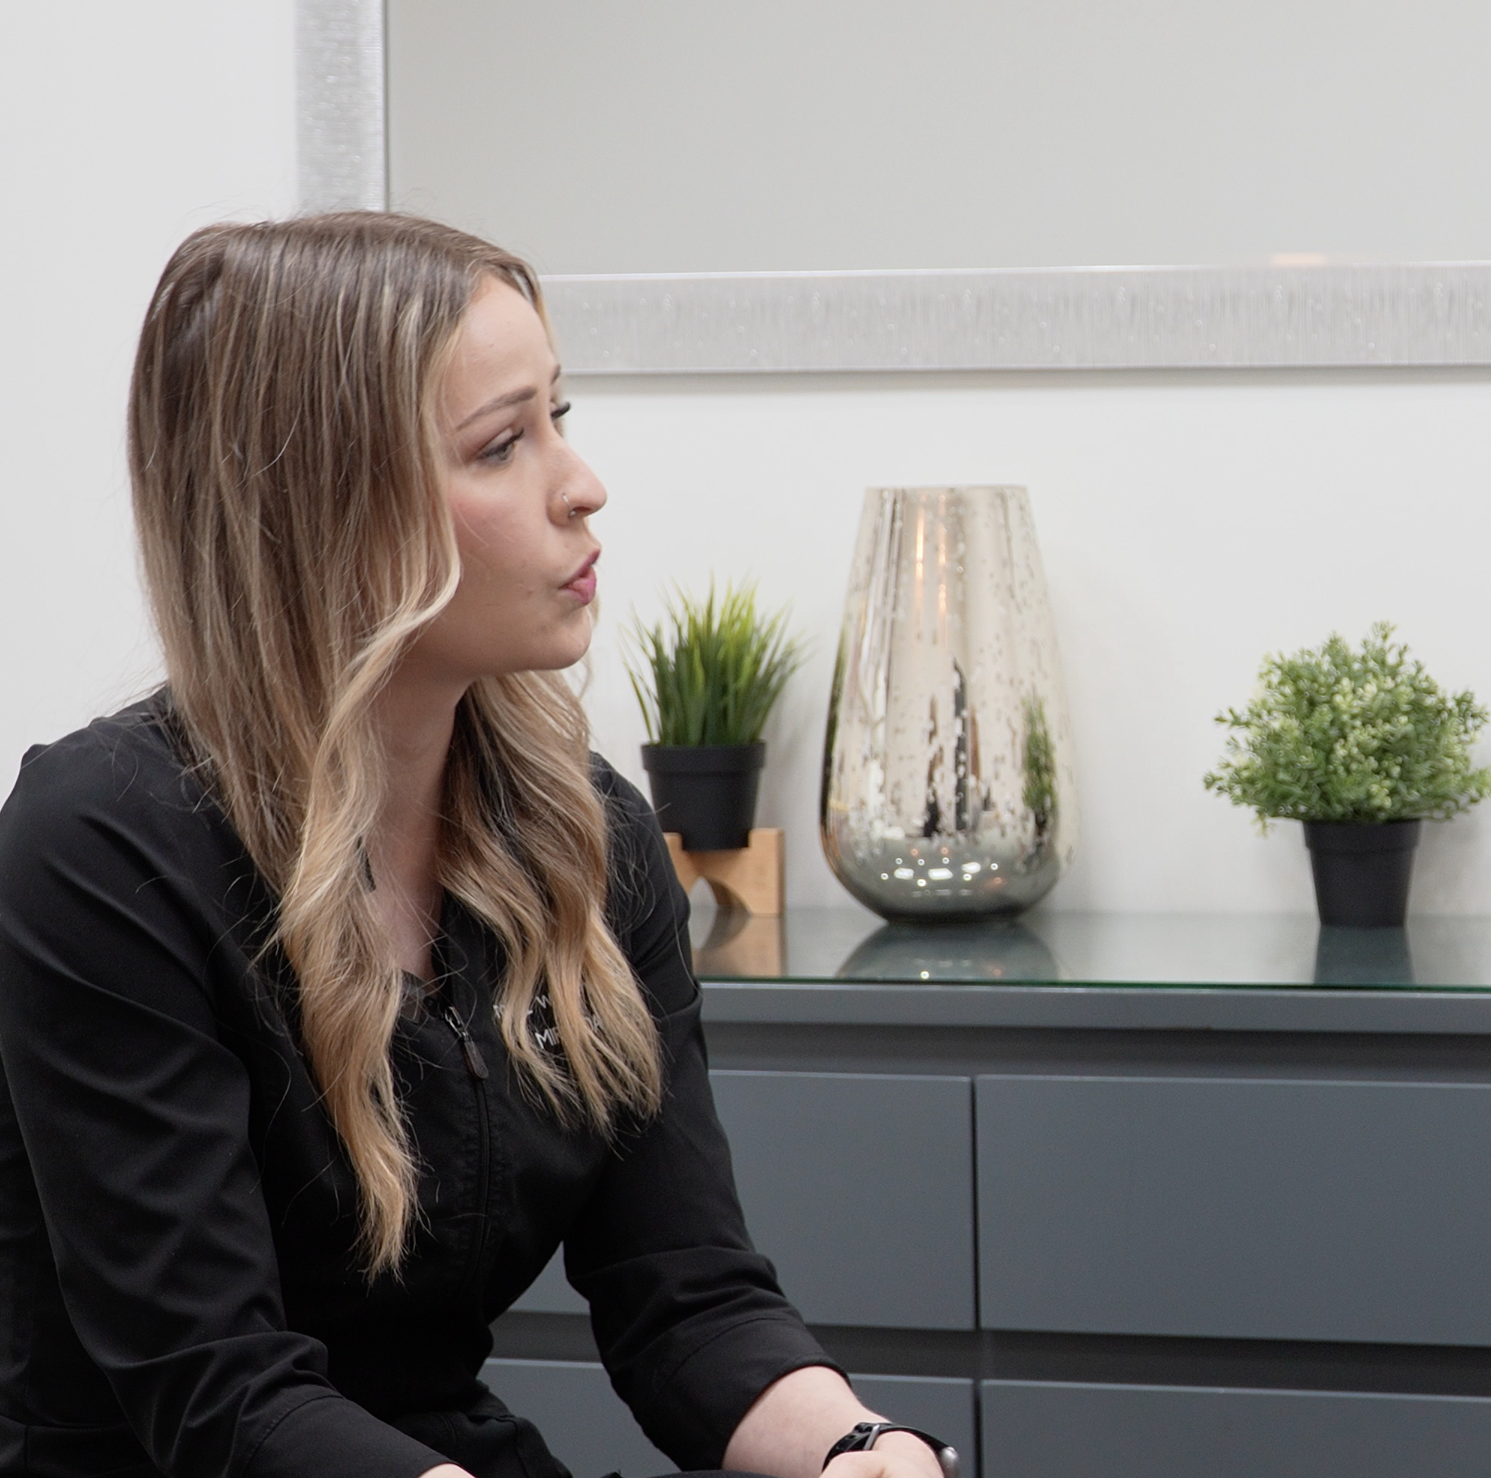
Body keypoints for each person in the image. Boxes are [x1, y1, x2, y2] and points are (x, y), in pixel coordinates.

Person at [0, 215, 948, 1478]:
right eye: (503, 443)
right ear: (324, 507)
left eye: (560, 414)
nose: (581, 481)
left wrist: (855, 1446)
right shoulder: (100, 848)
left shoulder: (588, 830)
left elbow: (690, 1297)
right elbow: (219, 1393)